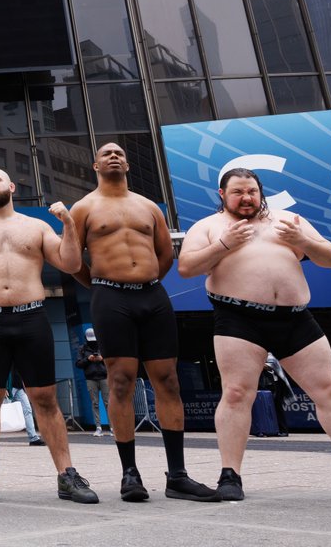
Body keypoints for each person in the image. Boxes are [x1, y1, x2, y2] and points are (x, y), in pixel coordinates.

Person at [177, 167, 331, 500]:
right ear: (222, 194)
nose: (246, 197)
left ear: (260, 192)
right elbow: (186, 268)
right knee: (238, 393)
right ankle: (230, 475)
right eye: (238, 192)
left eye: (252, 191)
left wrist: (303, 241)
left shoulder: (288, 221)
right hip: (238, 317)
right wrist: (224, 244)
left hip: (296, 318)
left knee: (330, 392)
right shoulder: (208, 227)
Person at [70, 143, 218, 503]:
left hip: (152, 296)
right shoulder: (84, 207)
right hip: (109, 296)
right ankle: (129, 474)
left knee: (167, 379)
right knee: (120, 380)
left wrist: (144, 280)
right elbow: (72, 259)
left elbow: (166, 254)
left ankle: (177, 475)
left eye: (120, 152)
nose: (114, 156)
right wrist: (104, 286)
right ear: (95, 165)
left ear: (128, 163)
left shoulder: (149, 206)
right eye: (106, 153)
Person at [0, 167, 97, 505]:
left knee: (45, 398)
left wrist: (69, 225)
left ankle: (66, 475)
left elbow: (71, 264)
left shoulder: (36, 226)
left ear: (11, 186)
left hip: (32, 318)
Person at [75, 327, 110, 437]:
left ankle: (113, 427)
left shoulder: (103, 346)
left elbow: (111, 361)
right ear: (86, 338)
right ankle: (98, 427)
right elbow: (78, 364)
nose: (93, 342)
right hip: (91, 378)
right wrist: (88, 359)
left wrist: (102, 359)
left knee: (108, 402)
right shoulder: (82, 349)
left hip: (104, 377)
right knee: (95, 403)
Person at [260, 353, 292, 436]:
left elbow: (269, 366)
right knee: (267, 408)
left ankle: (283, 430)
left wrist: (256, 364)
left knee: (277, 407)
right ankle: (270, 429)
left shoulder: (271, 356)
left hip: (276, 385)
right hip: (266, 385)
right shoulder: (260, 357)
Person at [6, 378, 44, 446]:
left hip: (19, 388)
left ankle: (33, 438)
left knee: (27, 409)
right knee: (2, 412)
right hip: (8, 387)